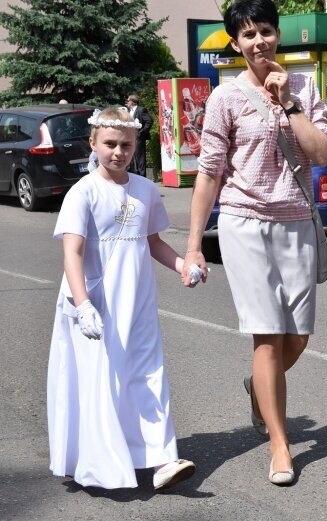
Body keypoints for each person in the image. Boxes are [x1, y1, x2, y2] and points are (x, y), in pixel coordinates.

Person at [182, 0, 327, 486]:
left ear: (277, 34)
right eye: (248, 35)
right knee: (266, 334)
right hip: (244, 223)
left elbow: (322, 153)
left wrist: (288, 101)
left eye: (265, 31)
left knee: (298, 336)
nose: (259, 41)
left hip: (296, 223)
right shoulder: (225, 98)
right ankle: (280, 443)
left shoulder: (305, 88)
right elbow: (209, 174)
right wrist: (192, 245)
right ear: (236, 43)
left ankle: (258, 386)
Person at [47, 107, 198, 490]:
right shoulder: (82, 193)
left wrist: (182, 264)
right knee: (104, 379)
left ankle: (162, 458)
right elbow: (73, 253)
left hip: (139, 299)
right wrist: (82, 305)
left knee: (148, 374)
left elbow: (152, 241)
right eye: (110, 144)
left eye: (126, 145)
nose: (118, 151)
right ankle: (102, 459)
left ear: (135, 146)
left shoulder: (145, 190)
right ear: (93, 144)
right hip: (95, 301)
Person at [126, 94, 153, 177]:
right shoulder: (129, 111)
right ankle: (135, 176)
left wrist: (141, 132)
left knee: (140, 158)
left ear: (132, 102)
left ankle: (142, 177)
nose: (127, 102)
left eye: (128, 100)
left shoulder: (141, 110)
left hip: (138, 138)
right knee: (132, 158)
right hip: (130, 138)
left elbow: (149, 121)